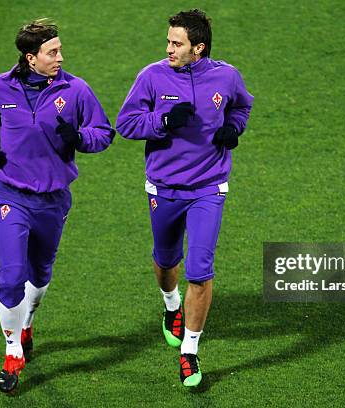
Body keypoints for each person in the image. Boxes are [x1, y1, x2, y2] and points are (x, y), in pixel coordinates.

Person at [0, 18, 115, 393]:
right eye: (52, 52)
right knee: (11, 274)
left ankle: (27, 321)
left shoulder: (75, 89)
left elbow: (104, 134)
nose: (60, 58)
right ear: (31, 58)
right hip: (10, 195)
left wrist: (79, 136)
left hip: (53, 199)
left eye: (60, 50)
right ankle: (12, 351)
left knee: (40, 272)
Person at [116, 9, 253, 387]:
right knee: (165, 262)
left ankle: (189, 352)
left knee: (200, 270)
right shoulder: (152, 76)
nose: (169, 48)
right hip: (163, 188)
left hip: (209, 187)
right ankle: (171, 306)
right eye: (169, 41)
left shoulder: (226, 76)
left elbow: (242, 105)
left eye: (176, 43)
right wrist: (160, 122)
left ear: (199, 47)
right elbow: (125, 123)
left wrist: (233, 127)